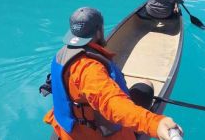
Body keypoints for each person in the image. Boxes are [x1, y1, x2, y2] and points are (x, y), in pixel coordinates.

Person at [43, 7, 182, 140]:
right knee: (145, 86)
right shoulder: (89, 68)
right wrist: (155, 124)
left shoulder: (61, 55)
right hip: (97, 135)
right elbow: (112, 104)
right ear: (99, 32)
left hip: (69, 131)